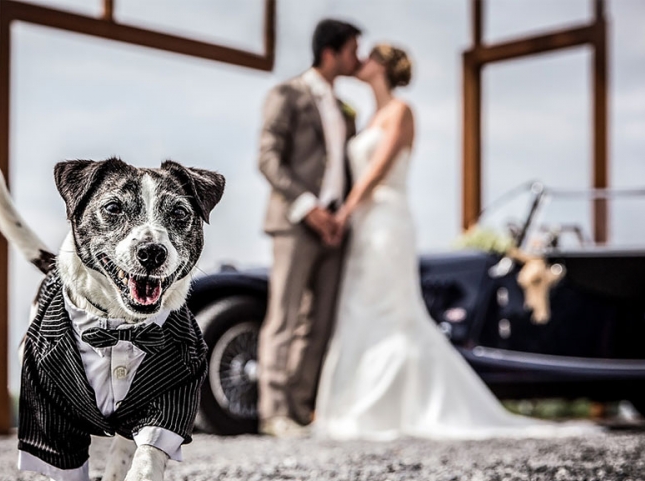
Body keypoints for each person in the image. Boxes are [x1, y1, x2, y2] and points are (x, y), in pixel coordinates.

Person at [314, 44, 598, 440]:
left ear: (383, 66)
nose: (361, 61)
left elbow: (379, 168)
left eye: (369, 56)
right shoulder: (366, 119)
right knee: (359, 306)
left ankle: (393, 407)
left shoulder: (401, 111)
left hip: (388, 220)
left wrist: (343, 212)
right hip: (363, 223)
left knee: (391, 308)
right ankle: (354, 405)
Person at [256, 19, 361, 437]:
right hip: (296, 222)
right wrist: (308, 207)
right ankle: (273, 411)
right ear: (331, 52)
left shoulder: (346, 109)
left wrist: (338, 217)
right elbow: (267, 158)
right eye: (354, 49)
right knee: (284, 316)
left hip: (335, 228)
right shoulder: (288, 94)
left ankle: (300, 410)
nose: (359, 58)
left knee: (319, 322)